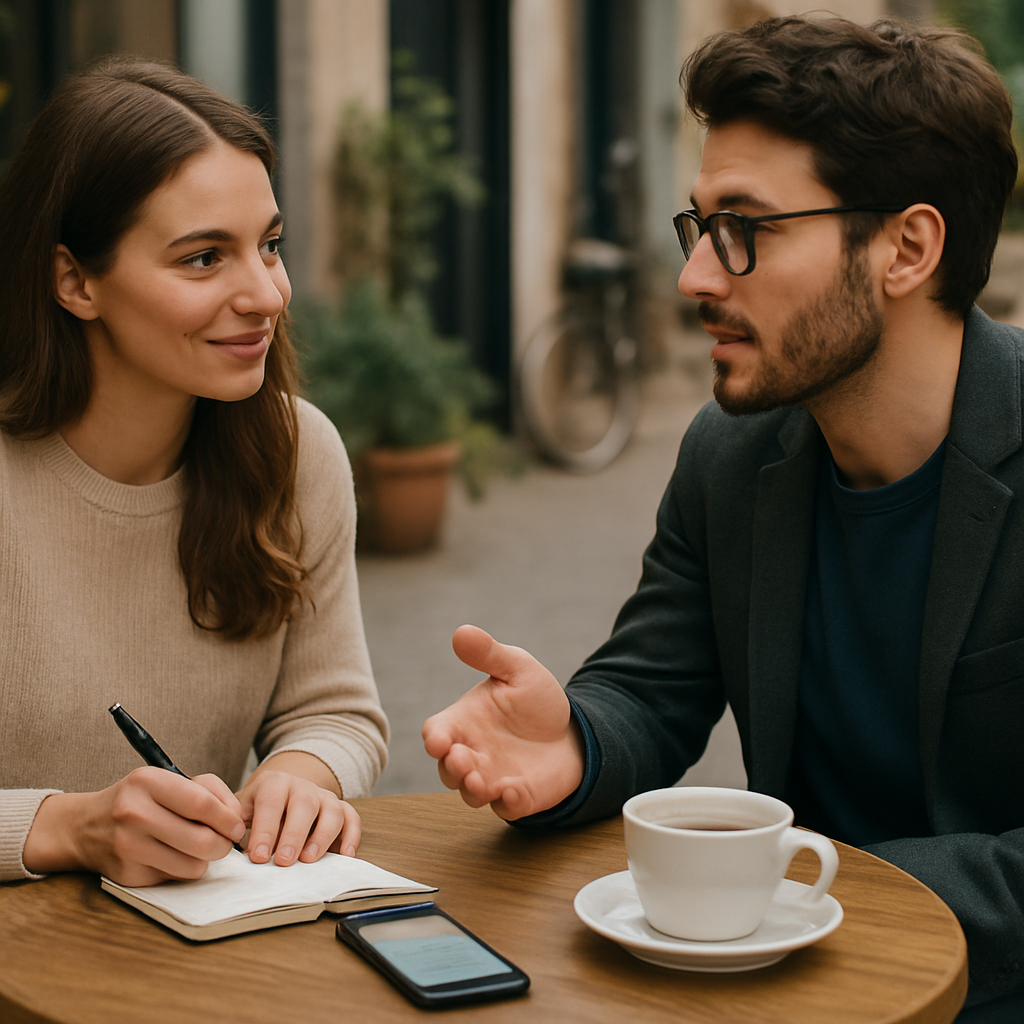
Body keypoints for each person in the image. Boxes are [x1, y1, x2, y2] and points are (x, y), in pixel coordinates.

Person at [423, 16, 1023, 1020]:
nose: (696, 276)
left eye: (744, 228)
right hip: (786, 983)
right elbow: (651, 689)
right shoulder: (732, 455)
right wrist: (569, 740)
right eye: (699, 226)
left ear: (906, 247)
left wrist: (803, 884)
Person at [0, 57, 388, 887]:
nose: (266, 294)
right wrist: (66, 826)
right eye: (204, 259)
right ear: (74, 280)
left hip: (183, 962)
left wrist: (302, 776)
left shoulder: (297, 454)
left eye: (270, 247)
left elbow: (335, 710)